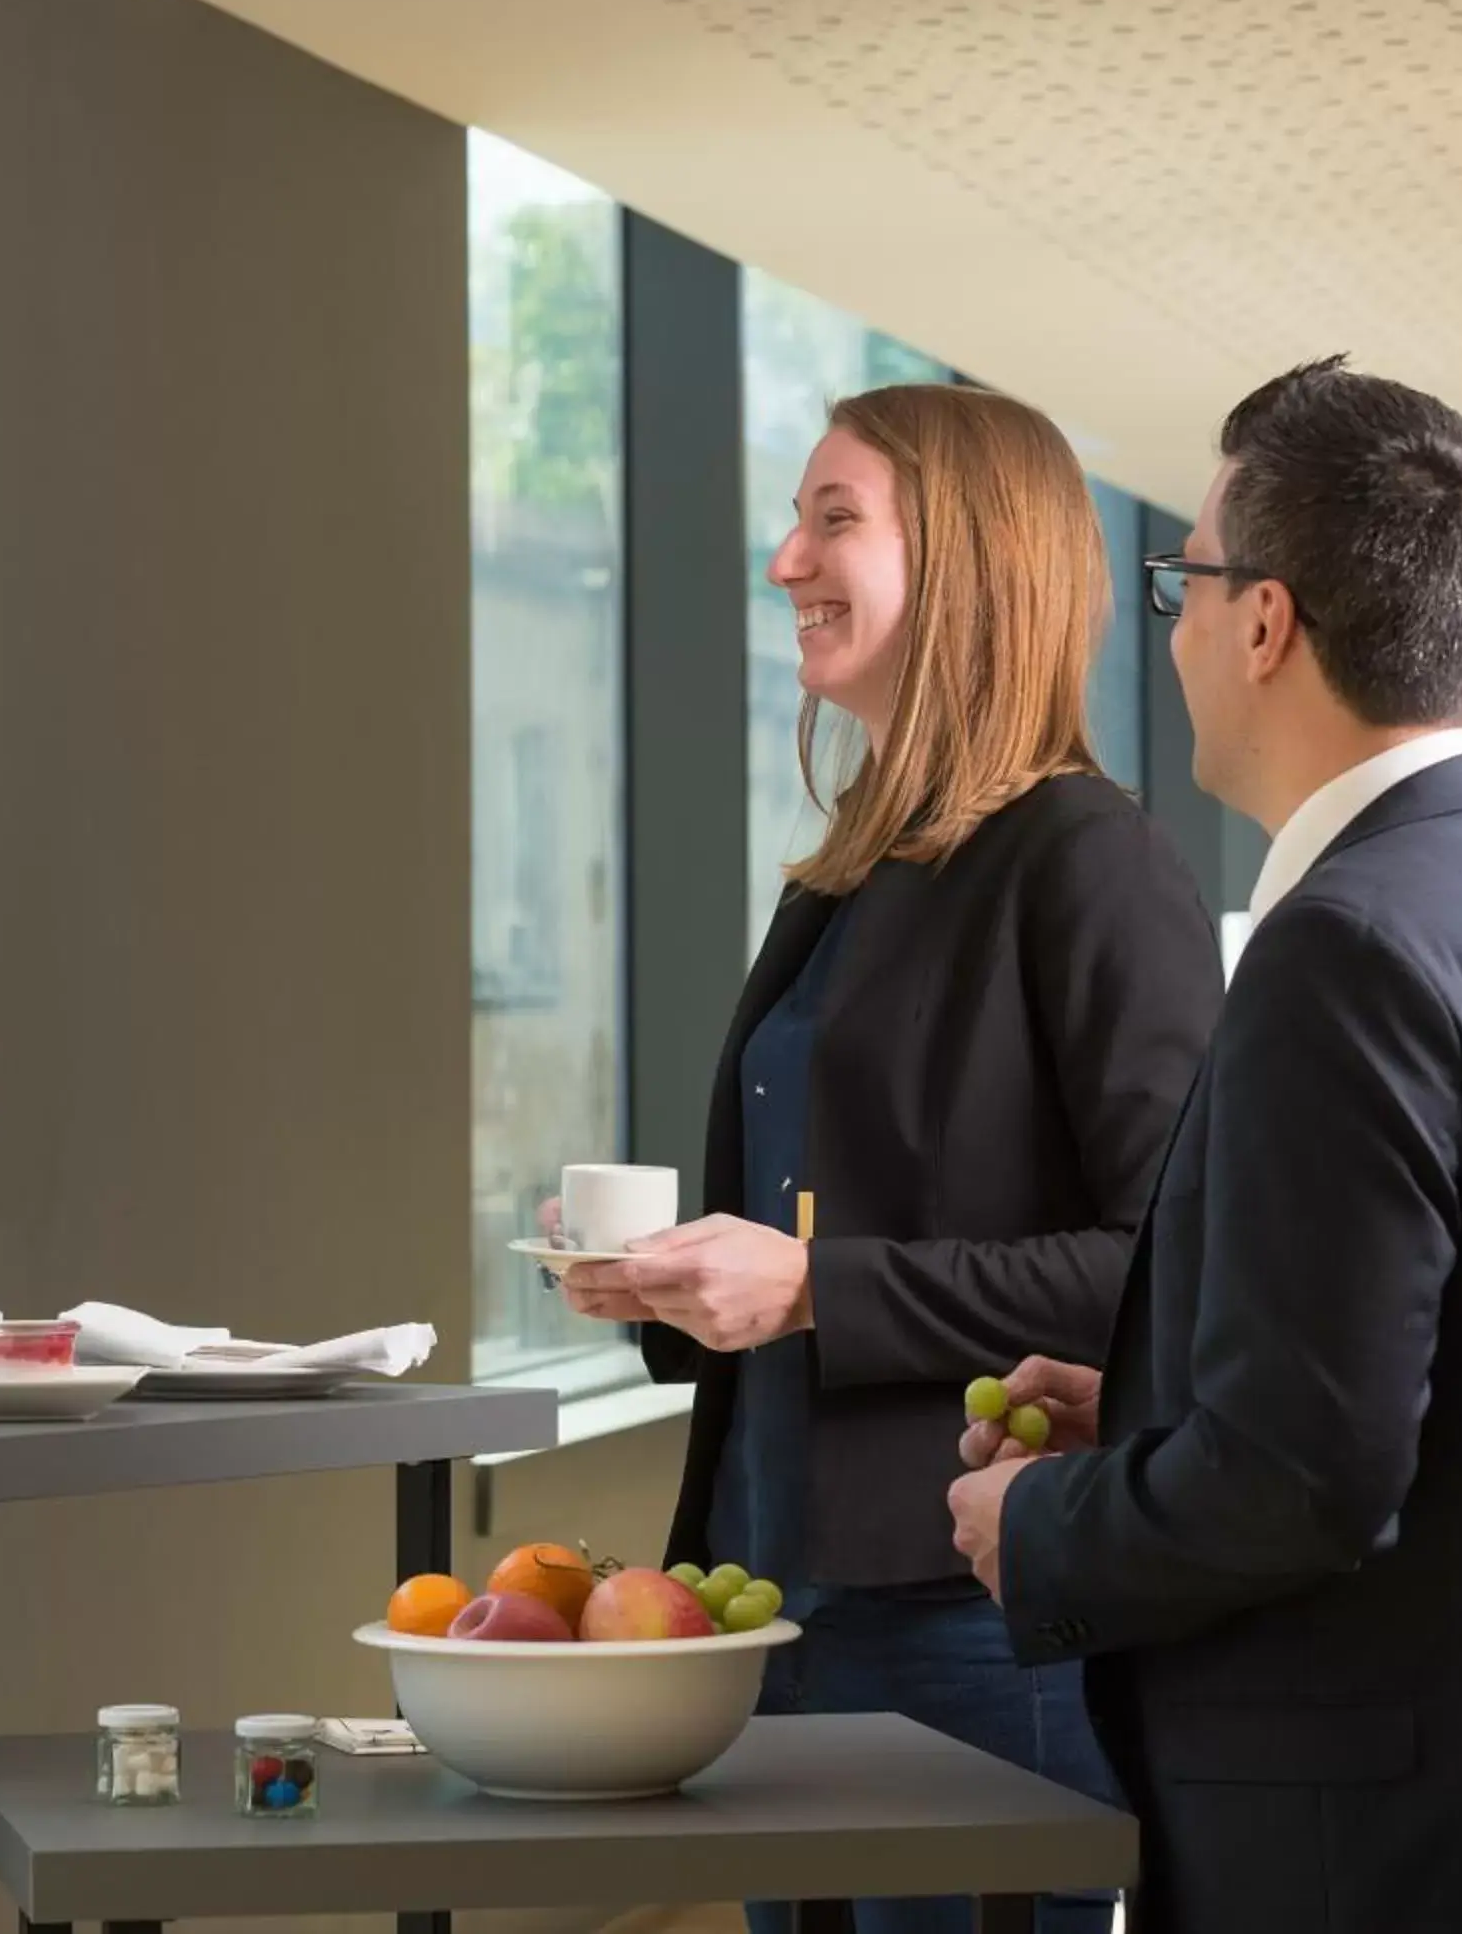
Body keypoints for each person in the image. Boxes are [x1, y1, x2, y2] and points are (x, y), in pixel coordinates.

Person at [948, 358, 1462, 1934]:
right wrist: (1159, 1404)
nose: (1169, 633)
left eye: (1184, 581)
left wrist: (1035, 1525)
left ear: (1264, 622)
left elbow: (1306, 1483)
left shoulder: (1346, 947)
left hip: (1391, 1846)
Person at [560, 384, 1220, 1934]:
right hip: (767, 1591)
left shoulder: (1091, 865)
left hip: (972, 1615)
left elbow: (1172, 1267)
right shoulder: (855, 870)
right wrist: (682, 1288)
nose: (784, 559)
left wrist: (813, 1293)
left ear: (975, 561)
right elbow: (849, 1216)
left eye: (834, 519)